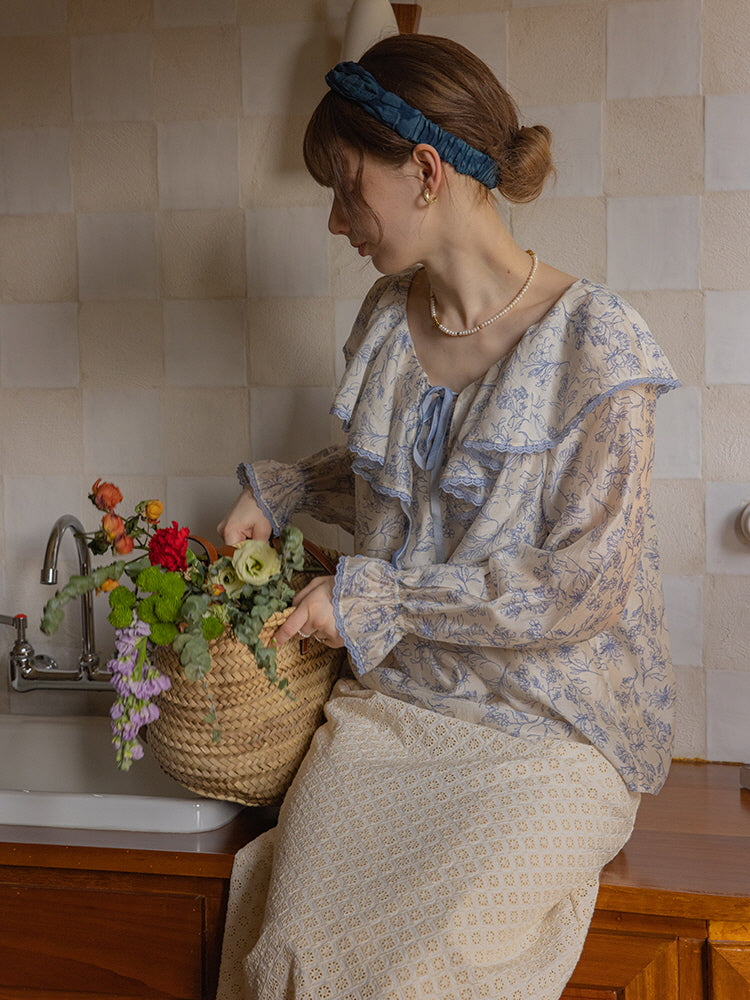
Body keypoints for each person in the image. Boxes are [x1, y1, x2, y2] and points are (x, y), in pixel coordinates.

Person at [216, 33, 679, 1000]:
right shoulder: (390, 319)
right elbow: (409, 485)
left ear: (425, 172)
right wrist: (288, 490)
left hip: (550, 728)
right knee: (289, 954)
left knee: (418, 977)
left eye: (348, 188)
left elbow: (580, 592)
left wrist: (369, 598)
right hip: (397, 713)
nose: (338, 221)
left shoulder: (598, 347)